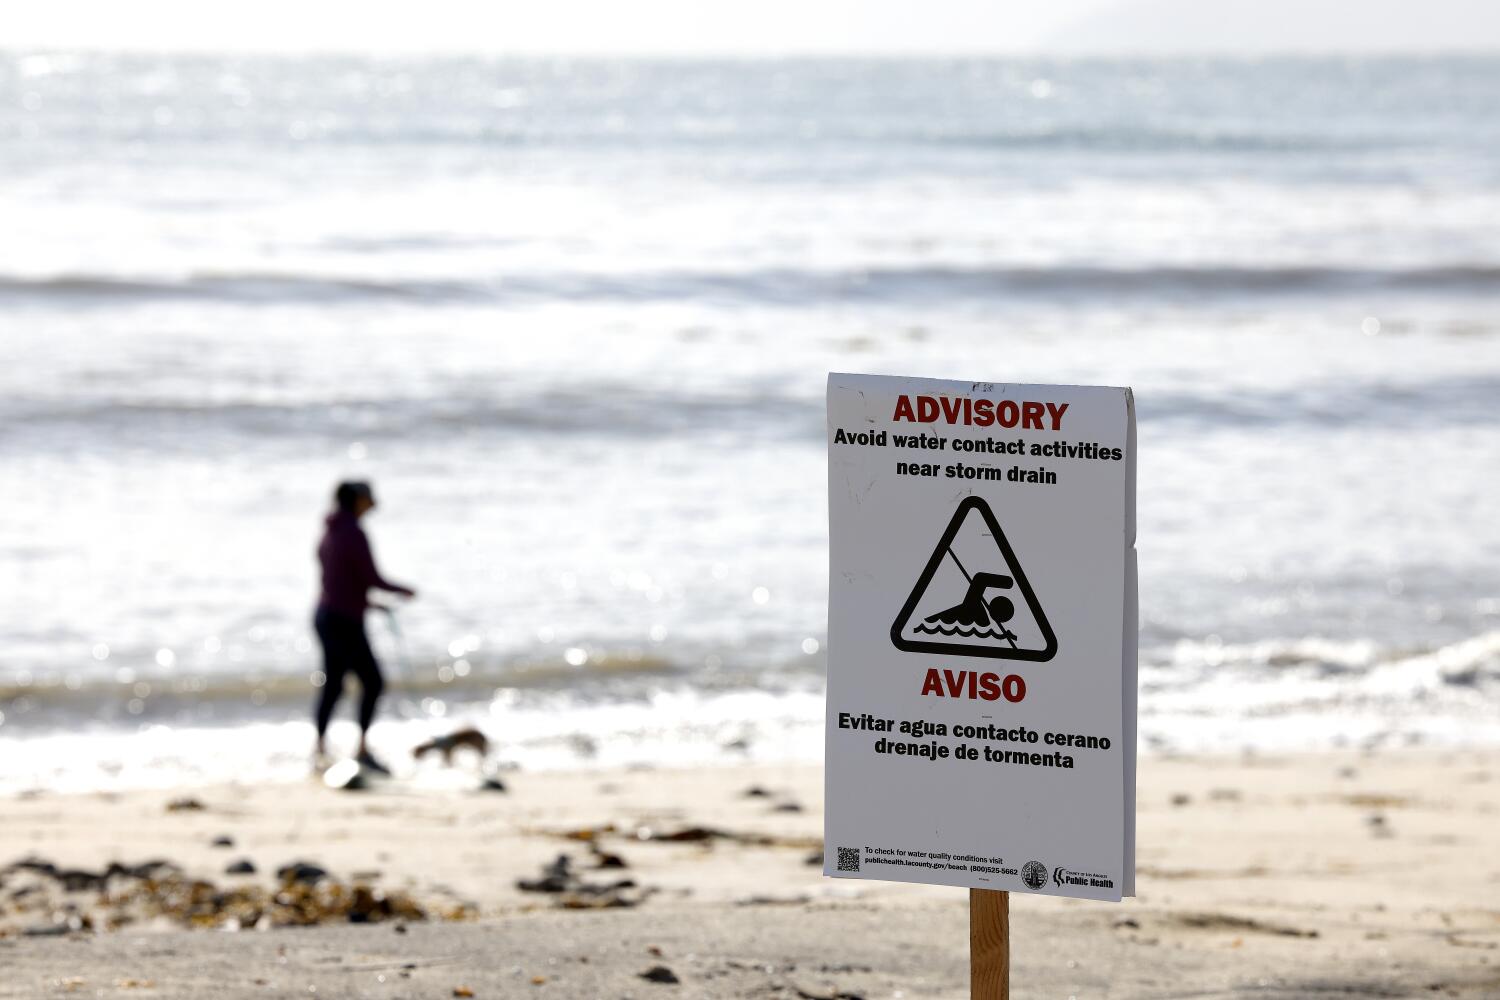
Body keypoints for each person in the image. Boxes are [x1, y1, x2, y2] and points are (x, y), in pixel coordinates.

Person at [312, 481, 416, 773]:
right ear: (357, 500)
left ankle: (320, 749)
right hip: (343, 620)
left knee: (334, 683)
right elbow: (371, 578)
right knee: (371, 682)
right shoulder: (353, 533)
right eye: (369, 497)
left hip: (326, 614)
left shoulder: (330, 531)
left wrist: (371, 604)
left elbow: (338, 581)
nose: (374, 502)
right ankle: (360, 751)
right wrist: (403, 590)